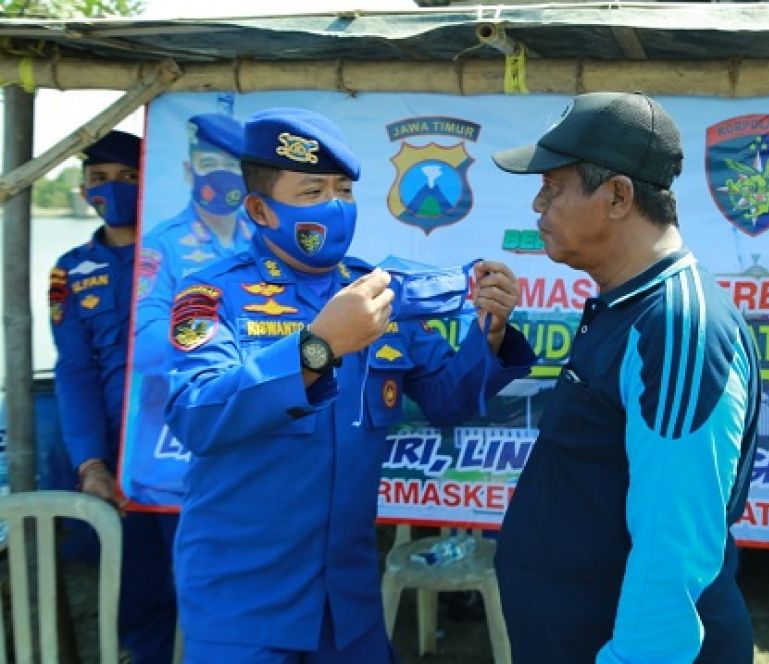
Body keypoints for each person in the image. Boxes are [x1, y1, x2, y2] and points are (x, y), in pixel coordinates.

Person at [164, 108, 535, 661]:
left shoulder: (383, 294)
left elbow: (447, 400)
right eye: (312, 191)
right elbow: (196, 414)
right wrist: (317, 349)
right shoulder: (212, 297)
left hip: (349, 604)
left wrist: (492, 333)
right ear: (261, 209)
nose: (334, 206)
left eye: (343, 190)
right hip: (243, 603)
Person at [490, 91, 762, 663]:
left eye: (553, 187)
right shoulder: (631, 307)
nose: (538, 205)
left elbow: (674, 550)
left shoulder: (677, 324)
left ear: (617, 196)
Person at [48, 130, 177, 664]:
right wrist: (91, 463)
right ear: (84, 191)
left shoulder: (177, 252)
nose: (114, 189)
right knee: (136, 584)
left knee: (202, 575)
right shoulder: (70, 271)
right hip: (117, 454)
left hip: (180, 439)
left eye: (129, 178)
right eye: (100, 179)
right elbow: (73, 370)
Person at [127, 113, 251, 504]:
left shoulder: (266, 242)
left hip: (248, 464)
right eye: (209, 165)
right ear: (187, 171)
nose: (222, 176)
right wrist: (234, 343)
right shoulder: (162, 247)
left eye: (233, 167)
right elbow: (144, 346)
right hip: (174, 464)